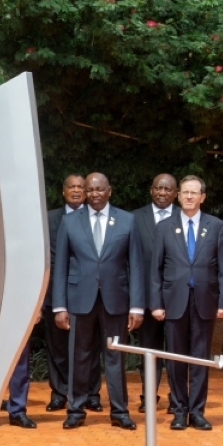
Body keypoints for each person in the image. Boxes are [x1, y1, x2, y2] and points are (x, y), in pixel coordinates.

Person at [52, 172, 144, 430]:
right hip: (79, 300)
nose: (93, 194)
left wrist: (136, 305)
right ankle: (75, 409)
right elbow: (59, 267)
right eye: (89, 190)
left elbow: (135, 264)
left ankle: (119, 411)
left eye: (98, 189)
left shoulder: (127, 220)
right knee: (78, 356)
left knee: (115, 356)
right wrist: (60, 306)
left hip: (116, 300)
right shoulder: (71, 222)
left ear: (109, 191)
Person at [150, 176, 223, 431]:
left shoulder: (216, 226)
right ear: (178, 196)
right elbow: (156, 270)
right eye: (185, 193)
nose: (189, 197)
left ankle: (197, 412)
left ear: (202, 197)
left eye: (194, 193)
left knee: (199, 359)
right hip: (174, 302)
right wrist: (156, 303)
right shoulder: (164, 226)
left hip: (205, 302)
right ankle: (178, 410)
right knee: (175, 359)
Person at [42, 174, 90, 413]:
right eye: (71, 186)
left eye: (81, 187)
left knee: (88, 347)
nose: (76, 190)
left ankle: (90, 393)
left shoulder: (95, 217)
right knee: (57, 347)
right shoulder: (49, 219)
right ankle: (59, 392)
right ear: (63, 191)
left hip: (87, 292)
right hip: (55, 292)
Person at [132, 174, 178, 413]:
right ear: (151, 190)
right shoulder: (135, 218)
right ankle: (148, 395)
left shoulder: (185, 217)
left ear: (175, 193)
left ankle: (177, 398)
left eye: (167, 189)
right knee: (149, 350)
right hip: (148, 297)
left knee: (176, 351)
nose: (162, 192)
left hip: (177, 298)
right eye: (158, 188)